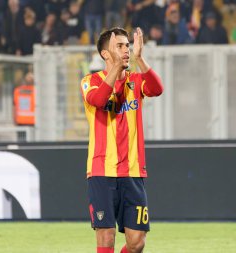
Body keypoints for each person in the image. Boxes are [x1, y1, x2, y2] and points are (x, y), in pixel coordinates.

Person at [80, 27, 163, 253]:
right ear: (105, 54)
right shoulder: (90, 81)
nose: (126, 50)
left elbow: (157, 89)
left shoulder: (136, 81)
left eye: (127, 45)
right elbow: (98, 100)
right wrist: (116, 68)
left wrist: (140, 59)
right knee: (106, 239)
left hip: (133, 172)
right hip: (102, 171)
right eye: (120, 46)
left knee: (137, 243)